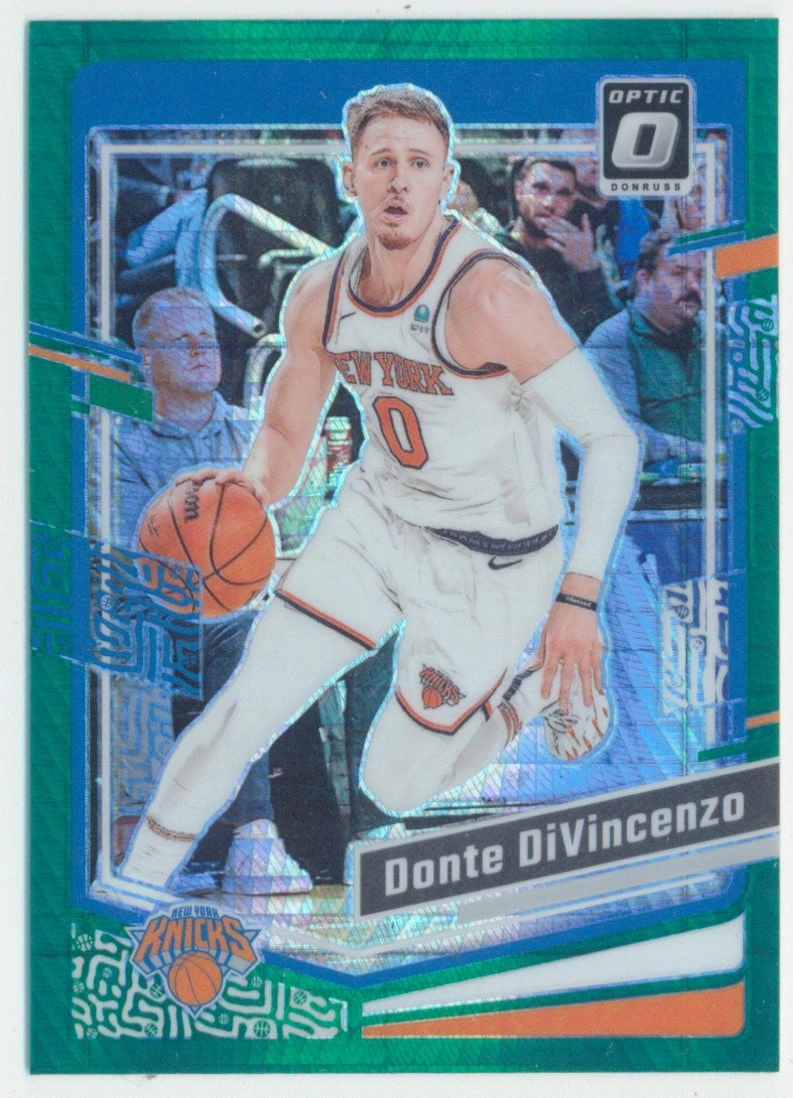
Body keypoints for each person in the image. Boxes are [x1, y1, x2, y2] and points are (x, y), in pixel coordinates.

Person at [121, 84, 639, 891]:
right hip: (378, 520)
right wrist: (248, 487)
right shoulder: (318, 291)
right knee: (244, 709)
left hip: (494, 560)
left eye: (419, 164)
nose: (399, 180)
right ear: (348, 176)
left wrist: (576, 600)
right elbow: (285, 432)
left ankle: (529, 693)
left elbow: (610, 440)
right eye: (382, 162)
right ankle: (133, 891)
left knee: (393, 785)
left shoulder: (490, 294)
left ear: (446, 180)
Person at [115, 287, 347, 885]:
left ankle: (352, 834)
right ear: (146, 359)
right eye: (181, 342)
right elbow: (135, 557)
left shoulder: (256, 434)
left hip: (256, 606)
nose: (201, 351)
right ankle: (246, 836)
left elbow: (294, 533)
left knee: (338, 630)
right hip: (164, 619)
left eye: (208, 339)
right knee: (239, 635)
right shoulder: (117, 440)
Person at [585, 230, 706, 463]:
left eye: (700, 276)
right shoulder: (611, 341)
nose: (694, 286)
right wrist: (699, 451)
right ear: (645, 280)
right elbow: (621, 434)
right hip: (654, 482)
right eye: (678, 274)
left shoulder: (715, 337)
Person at [497, 158, 618, 342]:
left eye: (563, 193)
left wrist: (588, 270)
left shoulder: (575, 258)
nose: (549, 203)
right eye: (540, 188)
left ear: (572, 201)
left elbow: (606, 338)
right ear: (519, 190)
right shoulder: (493, 252)